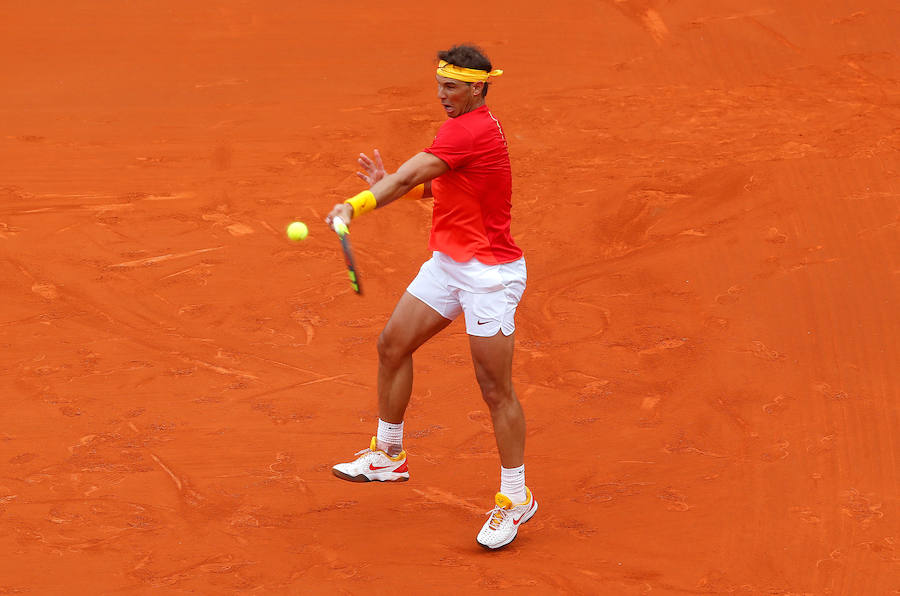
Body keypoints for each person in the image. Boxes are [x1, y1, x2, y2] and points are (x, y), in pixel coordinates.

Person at [325, 44, 536, 550]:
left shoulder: (472, 129)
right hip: (448, 264)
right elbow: (435, 187)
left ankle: (516, 496)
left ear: (478, 88)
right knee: (393, 345)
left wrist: (356, 205)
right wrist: (393, 186)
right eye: (440, 85)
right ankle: (389, 454)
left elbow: (411, 175)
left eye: (453, 87)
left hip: (489, 275)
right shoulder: (466, 131)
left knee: (494, 389)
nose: (443, 95)